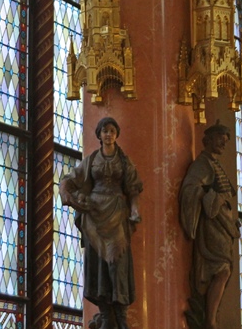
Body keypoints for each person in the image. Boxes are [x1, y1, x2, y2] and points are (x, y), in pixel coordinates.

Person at [59, 117, 143, 329]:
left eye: (112, 130)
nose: (108, 134)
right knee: (99, 264)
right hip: (95, 215)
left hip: (117, 213)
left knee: (118, 264)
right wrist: (65, 190)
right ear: (99, 134)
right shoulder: (92, 160)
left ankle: (121, 315)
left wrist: (134, 210)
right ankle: (106, 315)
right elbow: (72, 178)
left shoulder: (124, 161)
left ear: (116, 134)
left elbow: (133, 189)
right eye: (105, 131)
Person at [180, 120, 238, 329]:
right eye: (220, 139)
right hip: (211, 226)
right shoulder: (202, 164)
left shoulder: (215, 164)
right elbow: (191, 188)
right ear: (208, 140)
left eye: (226, 140)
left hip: (222, 225)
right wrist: (213, 197)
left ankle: (211, 317)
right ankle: (210, 320)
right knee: (221, 269)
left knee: (225, 270)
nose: (223, 143)